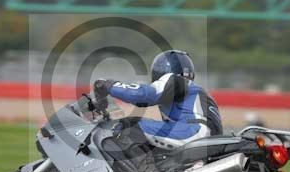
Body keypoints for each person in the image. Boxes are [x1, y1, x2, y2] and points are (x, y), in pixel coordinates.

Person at [94, 50, 223, 150]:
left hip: (195, 133)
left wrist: (108, 85)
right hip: (206, 136)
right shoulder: (191, 90)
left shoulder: (175, 81)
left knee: (130, 127)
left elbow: (142, 95)